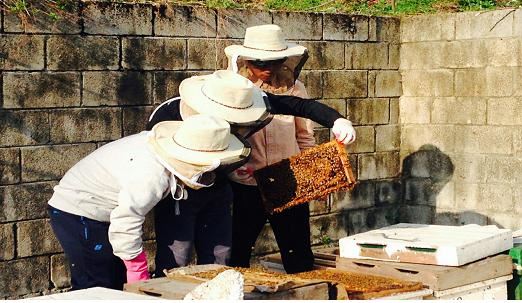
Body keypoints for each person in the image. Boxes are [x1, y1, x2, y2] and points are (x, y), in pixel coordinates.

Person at [147, 70, 356, 276]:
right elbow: (156, 154)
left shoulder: (248, 97)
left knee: (221, 258)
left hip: (224, 190)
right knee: (176, 257)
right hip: (181, 191)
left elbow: (299, 106)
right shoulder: (169, 113)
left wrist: (337, 120)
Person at [47, 114, 249, 290]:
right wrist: (138, 270)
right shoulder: (151, 175)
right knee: (97, 285)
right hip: (78, 211)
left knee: (115, 282)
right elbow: (126, 221)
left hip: (101, 210)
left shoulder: (160, 153)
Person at [224, 24, 357, 273]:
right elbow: (220, 135)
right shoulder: (230, 89)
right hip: (246, 183)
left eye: (273, 62)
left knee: (298, 253)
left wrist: (313, 174)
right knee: (238, 251)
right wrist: (233, 165)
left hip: (290, 180)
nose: (267, 69)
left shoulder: (295, 87)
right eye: (260, 63)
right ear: (246, 60)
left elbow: (304, 135)